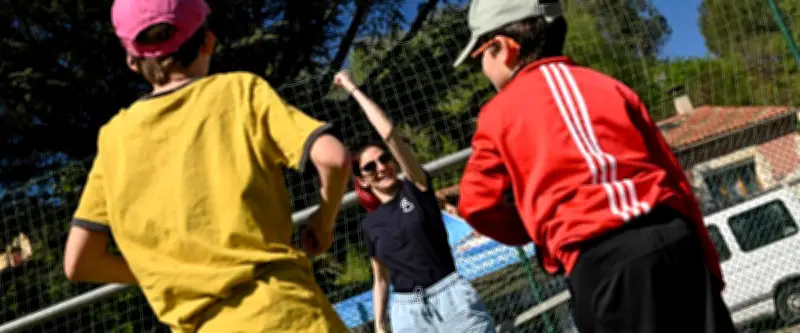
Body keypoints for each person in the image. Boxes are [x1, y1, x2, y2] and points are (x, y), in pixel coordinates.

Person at [62, 0, 352, 332]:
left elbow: (79, 261)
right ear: (207, 40)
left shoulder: (113, 140)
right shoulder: (239, 91)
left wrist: (169, 271)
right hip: (287, 315)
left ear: (131, 61)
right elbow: (333, 158)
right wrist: (322, 224)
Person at [453, 1, 737, 332]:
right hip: (673, 238)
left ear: (503, 48)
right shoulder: (610, 86)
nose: (483, 71)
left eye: (480, 58)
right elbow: (674, 176)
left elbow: (476, 204)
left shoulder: (497, 114)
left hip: (602, 263)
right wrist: (708, 265)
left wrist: (540, 231)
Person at [333, 71, 496, 333]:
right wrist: (380, 324)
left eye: (384, 159)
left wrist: (352, 89)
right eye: (370, 167)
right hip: (407, 314)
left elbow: (389, 133)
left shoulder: (416, 187)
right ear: (362, 181)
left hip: (451, 300)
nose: (381, 167)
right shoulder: (371, 225)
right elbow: (381, 279)